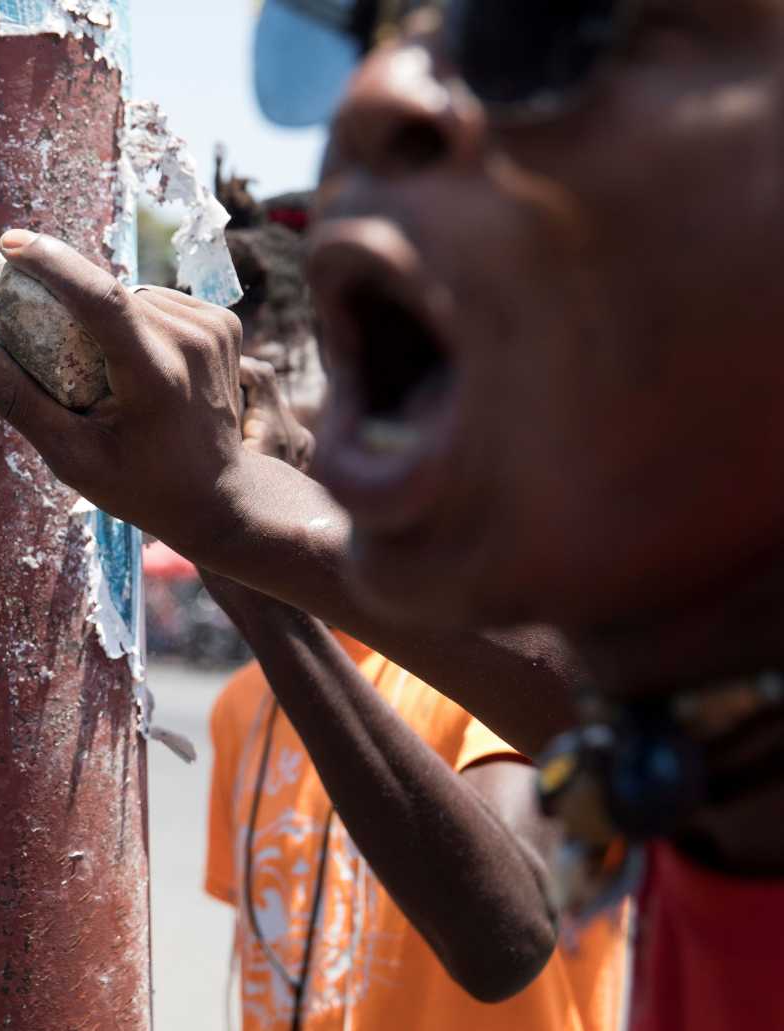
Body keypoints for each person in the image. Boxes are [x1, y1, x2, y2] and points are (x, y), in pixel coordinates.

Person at [0, 3, 784, 1028]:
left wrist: (246, 543)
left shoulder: (450, 657)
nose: (380, 93)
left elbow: (509, 931)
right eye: (381, 38)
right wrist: (231, 523)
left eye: (547, 31)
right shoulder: (713, 783)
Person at [203, 191, 625, 1029]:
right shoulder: (238, 707)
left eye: (270, 388)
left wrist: (258, 575)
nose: (238, 440)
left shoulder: (497, 650)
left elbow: (508, 940)